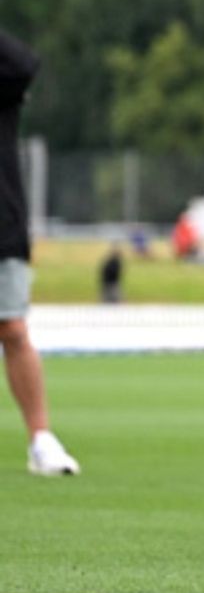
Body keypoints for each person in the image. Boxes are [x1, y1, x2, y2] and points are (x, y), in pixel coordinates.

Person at [0, 27, 79, 477]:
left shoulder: (5, 73)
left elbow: (24, 64)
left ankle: (41, 439)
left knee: (12, 327)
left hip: (2, 218)